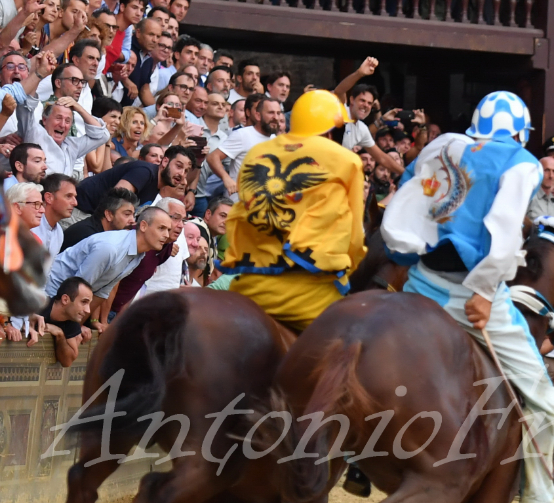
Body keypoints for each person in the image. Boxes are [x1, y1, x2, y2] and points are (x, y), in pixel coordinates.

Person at [381, 91, 554, 503]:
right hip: (472, 292)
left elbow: (405, 203)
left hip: (422, 280)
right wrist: (485, 291)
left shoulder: (443, 144)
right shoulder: (523, 162)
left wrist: (403, 252)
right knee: (542, 399)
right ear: (521, 132)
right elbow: (503, 230)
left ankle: (354, 457)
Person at [217, 89, 363, 332]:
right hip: (313, 298)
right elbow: (355, 240)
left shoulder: (256, 154)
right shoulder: (347, 161)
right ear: (330, 129)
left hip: (250, 290)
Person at [44, 205, 173, 331]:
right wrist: (73, 329)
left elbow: (102, 292)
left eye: (168, 229)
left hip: (67, 300)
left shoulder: (139, 254)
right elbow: (79, 288)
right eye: (161, 228)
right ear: (143, 226)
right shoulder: (110, 248)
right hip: (48, 294)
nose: (167, 235)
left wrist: (78, 326)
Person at [72, 144, 193, 221]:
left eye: (186, 171)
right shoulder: (145, 172)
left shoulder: (156, 184)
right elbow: (116, 198)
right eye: (178, 166)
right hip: (79, 212)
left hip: (91, 217)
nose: (182, 174)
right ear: (165, 162)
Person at [205, 97, 283, 201]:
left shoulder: (276, 140)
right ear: (258, 115)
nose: (276, 117)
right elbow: (213, 157)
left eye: (278, 113)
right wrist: (226, 178)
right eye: (271, 113)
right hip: (238, 204)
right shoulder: (243, 135)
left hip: (262, 206)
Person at [37, 275, 92, 366]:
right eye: (84, 302)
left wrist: (60, 334)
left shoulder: (72, 321)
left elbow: (67, 362)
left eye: (89, 304)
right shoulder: (38, 306)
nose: (88, 310)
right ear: (65, 299)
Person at [61, 186, 137, 250]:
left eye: (133, 215)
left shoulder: (103, 234)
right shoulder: (87, 236)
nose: (132, 220)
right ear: (109, 215)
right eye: (127, 214)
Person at [34, 173, 75, 257]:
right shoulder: (31, 226)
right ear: (49, 198)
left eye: (74, 197)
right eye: (68, 196)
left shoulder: (59, 232)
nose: (75, 203)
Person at [526, 155, 554, 225]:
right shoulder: (528, 195)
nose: (551, 176)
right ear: (539, 171)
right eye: (547, 170)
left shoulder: (552, 201)